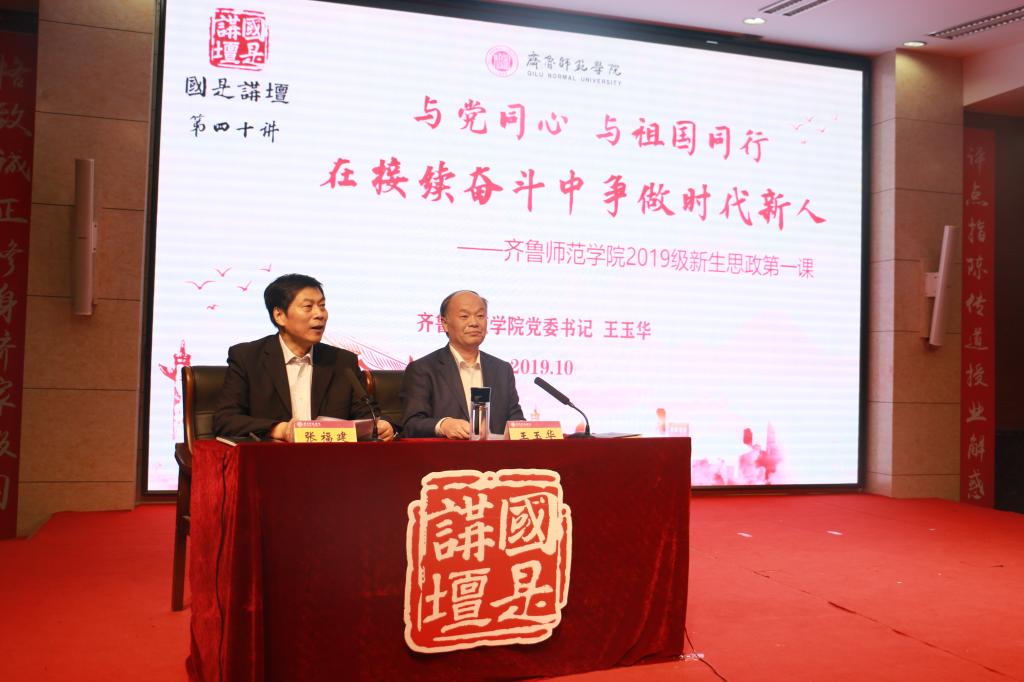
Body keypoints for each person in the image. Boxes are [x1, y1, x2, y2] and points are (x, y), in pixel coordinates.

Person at [214, 273, 395, 441]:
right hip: (271, 460)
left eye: (322, 306)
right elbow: (225, 420)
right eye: (308, 307)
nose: (320, 315)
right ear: (279, 315)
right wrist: (279, 429)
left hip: (330, 460)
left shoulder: (342, 362)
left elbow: (367, 415)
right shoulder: (248, 358)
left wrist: (382, 426)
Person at [401, 290, 524, 438]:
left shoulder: (502, 370)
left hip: (494, 453)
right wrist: (443, 425)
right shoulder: (423, 369)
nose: (474, 323)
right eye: (464, 316)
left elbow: (517, 422)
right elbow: (411, 424)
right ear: (445, 324)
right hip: (447, 452)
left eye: (480, 316)